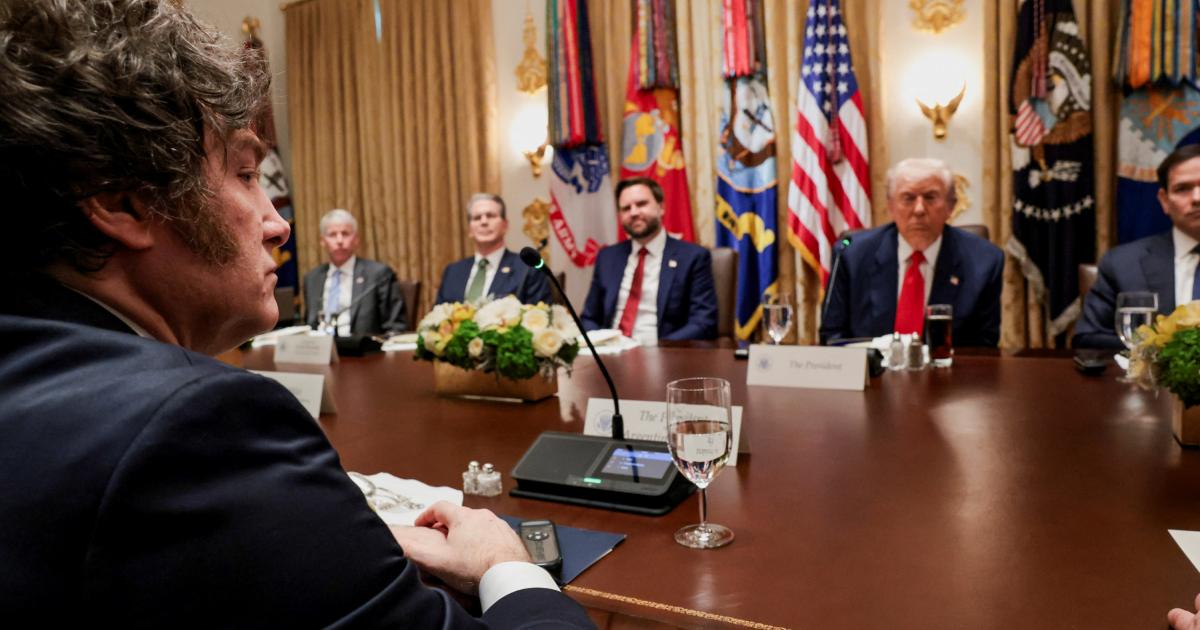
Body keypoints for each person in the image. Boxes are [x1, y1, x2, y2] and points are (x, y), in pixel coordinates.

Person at [0, 1, 591, 627]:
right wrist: (507, 564)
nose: (280, 223)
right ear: (121, 201)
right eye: (246, 173)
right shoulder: (198, 428)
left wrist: (326, 539)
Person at [820, 158, 1005, 347]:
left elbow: (984, 348)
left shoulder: (984, 262)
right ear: (891, 206)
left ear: (951, 206)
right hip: (872, 373)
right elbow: (833, 337)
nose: (919, 210)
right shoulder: (852, 254)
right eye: (908, 198)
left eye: (930, 197)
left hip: (947, 373)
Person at [1074, 144, 1200, 349]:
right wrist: (1160, 352)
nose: (1197, 198)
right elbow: (1089, 338)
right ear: (1164, 200)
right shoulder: (1122, 264)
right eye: (1183, 188)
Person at [580, 177, 718, 342]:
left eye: (641, 204)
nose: (634, 213)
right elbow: (589, 318)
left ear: (661, 207)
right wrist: (600, 343)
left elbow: (703, 323)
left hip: (663, 355)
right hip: (611, 354)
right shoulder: (607, 257)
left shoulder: (692, 257)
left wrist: (657, 349)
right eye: (625, 208)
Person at [303, 208, 407, 335]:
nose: (339, 240)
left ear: (356, 239)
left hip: (360, 351)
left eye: (345, 234)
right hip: (318, 349)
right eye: (332, 234)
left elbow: (395, 326)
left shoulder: (379, 274)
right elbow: (308, 325)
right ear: (322, 241)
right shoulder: (312, 278)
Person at [434, 193, 552, 305]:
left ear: (505, 225)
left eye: (490, 216)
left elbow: (540, 318)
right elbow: (437, 320)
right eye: (477, 218)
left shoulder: (527, 269)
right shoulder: (453, 272)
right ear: (470, 230)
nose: (484, 222)